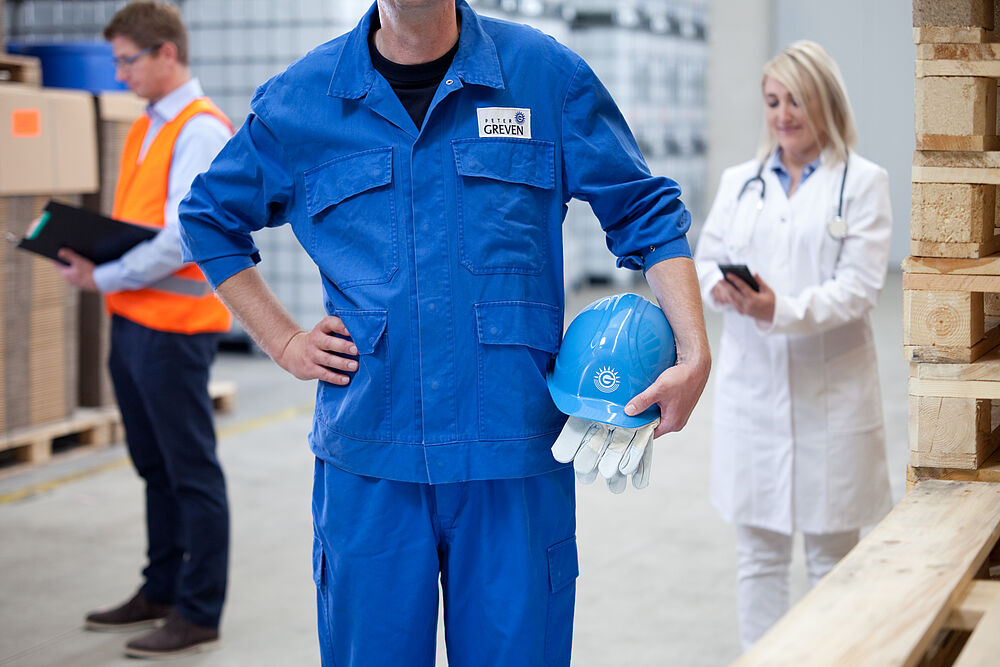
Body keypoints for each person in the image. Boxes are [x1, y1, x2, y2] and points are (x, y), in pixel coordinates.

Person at [179, 1, 711, 664]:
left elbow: (644, 208)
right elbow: (208, 216)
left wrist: (694, 350)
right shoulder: (303, 101)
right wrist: (283, 340)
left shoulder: (542, 76)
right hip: (372, 458)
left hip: (512, 457)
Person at [693, 40, 893, 650]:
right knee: (758, 559)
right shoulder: (741, 183)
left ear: (825, 102)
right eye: (773, 101)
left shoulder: (862, 183)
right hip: (753, 396)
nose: (783, 115)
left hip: (832, 400)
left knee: (834, 563)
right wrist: (721, 288)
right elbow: (705, 260)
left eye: (796, 101)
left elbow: (859, 289)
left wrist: (779, 309)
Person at [55, 1, 233, 659]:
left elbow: (181, 237)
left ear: (167, 54)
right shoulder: (147, 126)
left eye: (127, 60)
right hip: (134, 320)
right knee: (155, 466)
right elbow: (138, 223)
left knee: (191, 471)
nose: (119, 73)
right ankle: (160, 590)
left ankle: (199, 610)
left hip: (175, 329)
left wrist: (103, 275)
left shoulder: (200, 130)